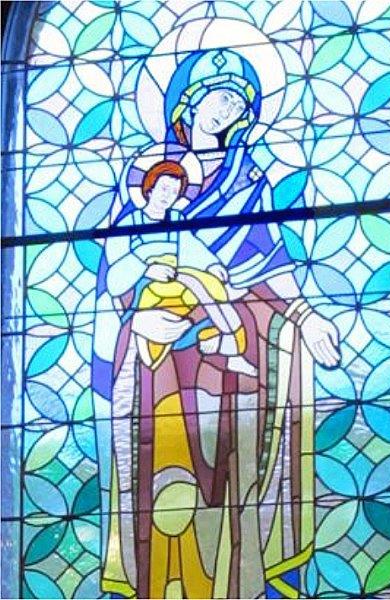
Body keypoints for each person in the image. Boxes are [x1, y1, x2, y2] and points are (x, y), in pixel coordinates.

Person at [93, 49, 341, 599]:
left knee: (229, 471)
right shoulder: (143, 179)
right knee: (164, 477)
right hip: (158, 359)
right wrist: (135, 317)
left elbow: (269, 264)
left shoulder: (248, 181)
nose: (223, 109)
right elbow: (115, 272)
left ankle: (239, 583)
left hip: (230, 358)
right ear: (187, 102)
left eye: (235, 102)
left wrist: (307, 316)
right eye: (216, 96)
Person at [118, 158, 257, 376]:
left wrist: (211, 265)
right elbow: (115, 272)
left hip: (175, 284)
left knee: (203, 285)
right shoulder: (128, 223)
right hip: (147, 289)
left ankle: (229, 348)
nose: (168, 196)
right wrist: (144, 270)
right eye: (164, 188)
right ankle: (232, 346)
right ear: (150, 187)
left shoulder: (176, 219)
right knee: (198, 284)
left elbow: (192, 247)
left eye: (175, 192)